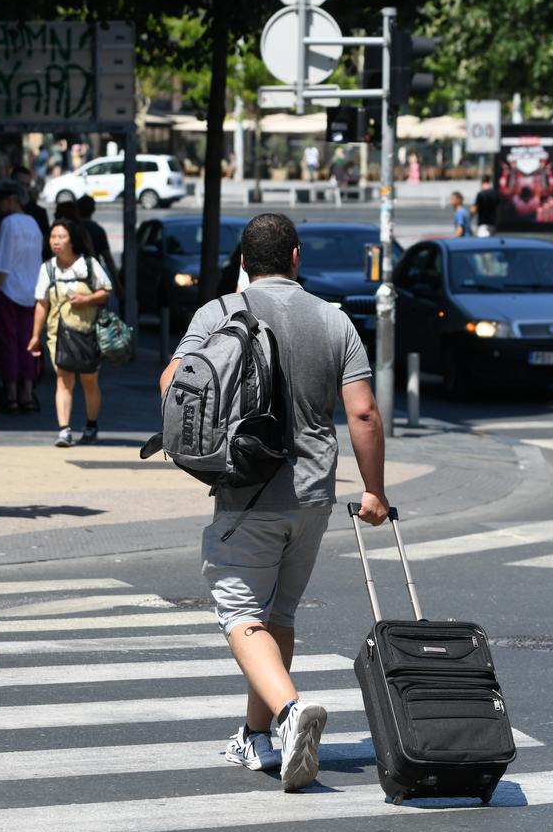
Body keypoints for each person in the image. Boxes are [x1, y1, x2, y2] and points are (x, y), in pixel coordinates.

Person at [159, 212, 388, 791]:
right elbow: (362, 412)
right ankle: (255, 736)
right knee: (277, 616)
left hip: (246, 488)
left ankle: (289, 713)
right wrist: (375, 491)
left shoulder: (218, 313)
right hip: (313, 494)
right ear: (295, 258)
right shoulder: (335, 320)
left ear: (242, 261)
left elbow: (171, 384)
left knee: (240, 614)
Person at [29, 218, 112, 448]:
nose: (56, 242)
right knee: (63, 380)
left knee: (89, 381)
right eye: (53, 237)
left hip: (87, 333)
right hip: (58, 335)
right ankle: (64, 430)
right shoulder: (47, 269)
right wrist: (36, 336)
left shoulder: (89, 264)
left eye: (61, 237)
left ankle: (91, 425)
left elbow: (106, 292)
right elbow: (41, 304)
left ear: (72, 240)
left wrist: (87, 299)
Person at [0, 179, 44, 414]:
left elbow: (3, 263)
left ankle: (11, 395)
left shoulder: (8, 223)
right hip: (31, 292)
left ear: (11, 200)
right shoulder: (33, 223)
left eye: (1, 201)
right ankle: (27, 393)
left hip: (9, 291)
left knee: (7, 344)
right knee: (28, 343)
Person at [12, 165, 51, 242]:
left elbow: (45, 243)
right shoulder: (3, 210)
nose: (23, 189)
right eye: (20, 184)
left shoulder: (39, 213)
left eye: (27, 185)